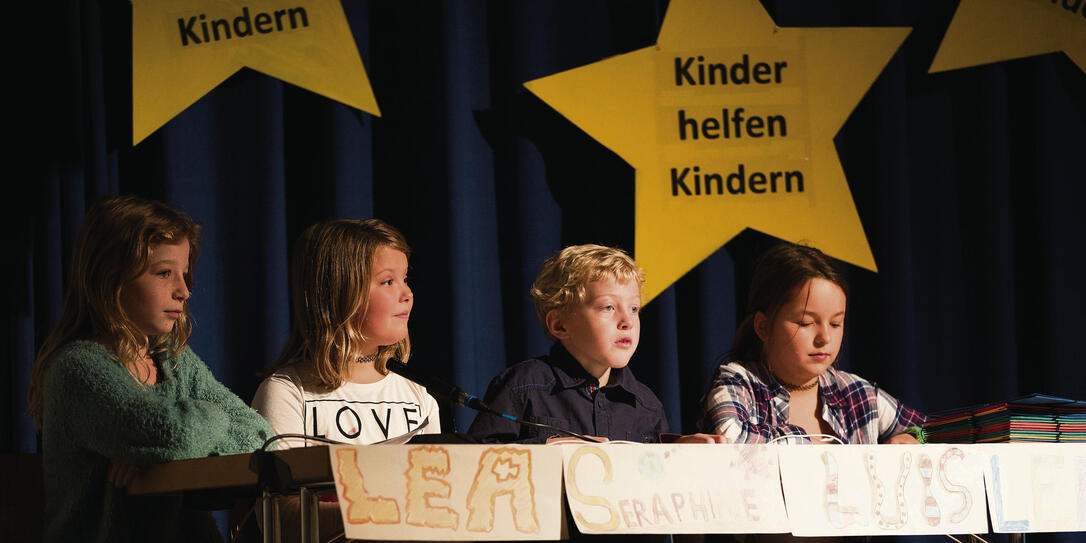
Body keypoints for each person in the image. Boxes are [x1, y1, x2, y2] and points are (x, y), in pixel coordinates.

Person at [26, 195, 272, 543]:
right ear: (111, 278)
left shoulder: (174, 361)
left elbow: (260, 437)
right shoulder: (76, 368)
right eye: (164, 273)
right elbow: (170, 435)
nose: (184, 291)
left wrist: (164, 455)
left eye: (185, 275)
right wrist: (194, 431)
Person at [468, 244, 719, 444]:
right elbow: (477, 464)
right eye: (608, 307)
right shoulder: (523, 387)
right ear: (560, 325)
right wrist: (548, 453)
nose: (627, 322)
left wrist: (678, 456)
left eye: (634, 308)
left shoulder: (646, 404)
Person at [701, 242, 925, 444]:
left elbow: (933, 431)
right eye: (806, 323)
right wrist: (812, 447)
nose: (824, 338)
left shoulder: (857, 393)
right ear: (763, 327)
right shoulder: (740, 383)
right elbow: (730, 439)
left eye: (836, 323)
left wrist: (912, 438)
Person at [252, 219, 439, 448]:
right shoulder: (288, 393)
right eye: (388, 281)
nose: (407, 293)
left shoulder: (418, 396)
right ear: (340, 294)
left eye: (405, 279)